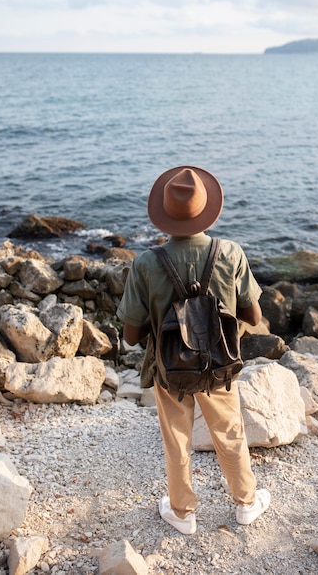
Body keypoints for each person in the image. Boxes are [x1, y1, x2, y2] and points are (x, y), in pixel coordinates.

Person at [117, 166, 270, 534]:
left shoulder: (145, 264)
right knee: (230, 433)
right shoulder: (230, 253)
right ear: (206, 209)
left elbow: (132, 335)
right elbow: (254, 314)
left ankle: (183, 513)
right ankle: (246, 503)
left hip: (170, 369)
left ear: (165, 214)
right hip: (219, 363)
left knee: (177, 439)